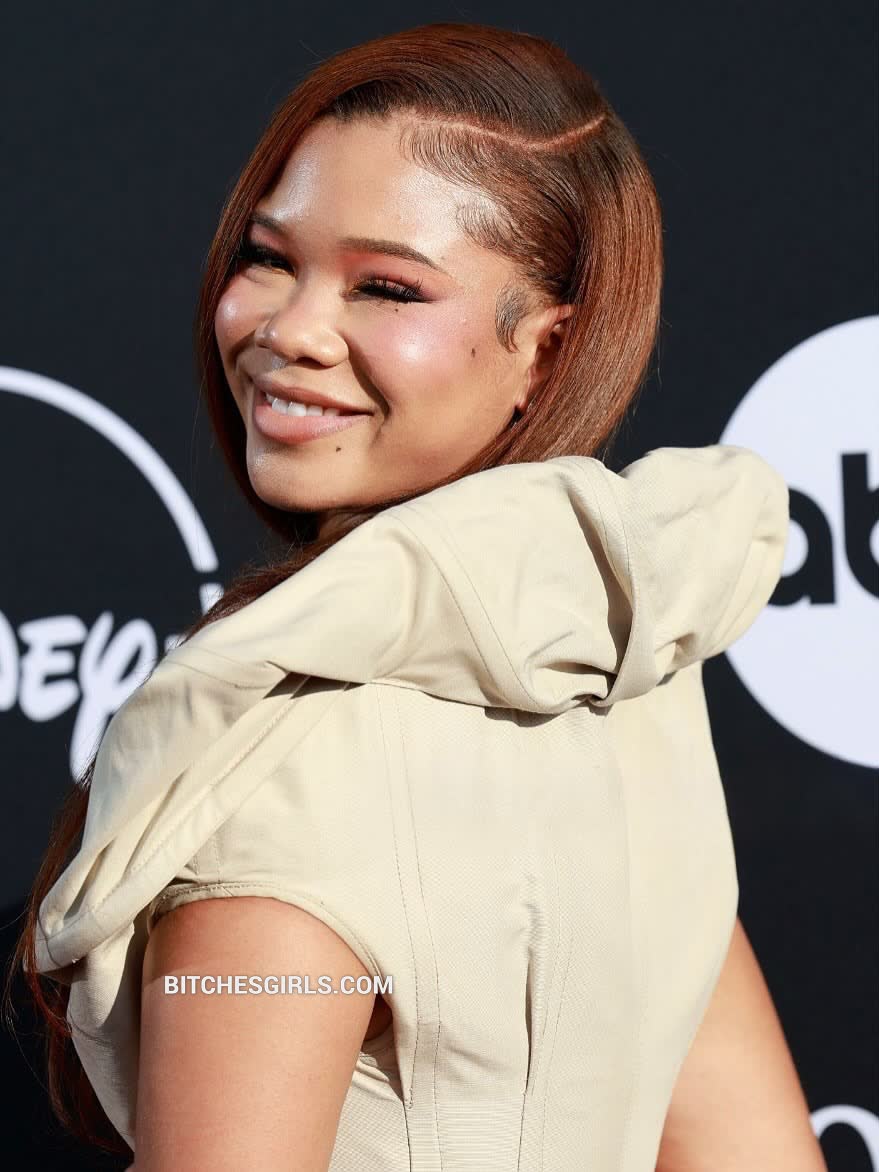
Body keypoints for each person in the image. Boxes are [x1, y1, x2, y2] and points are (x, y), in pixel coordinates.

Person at [4, 21, 826, 1172]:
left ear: (549, 349)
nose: (290, 329)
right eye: (269, 257)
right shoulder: (635, 690)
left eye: (387, 286)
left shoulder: (279, 759)